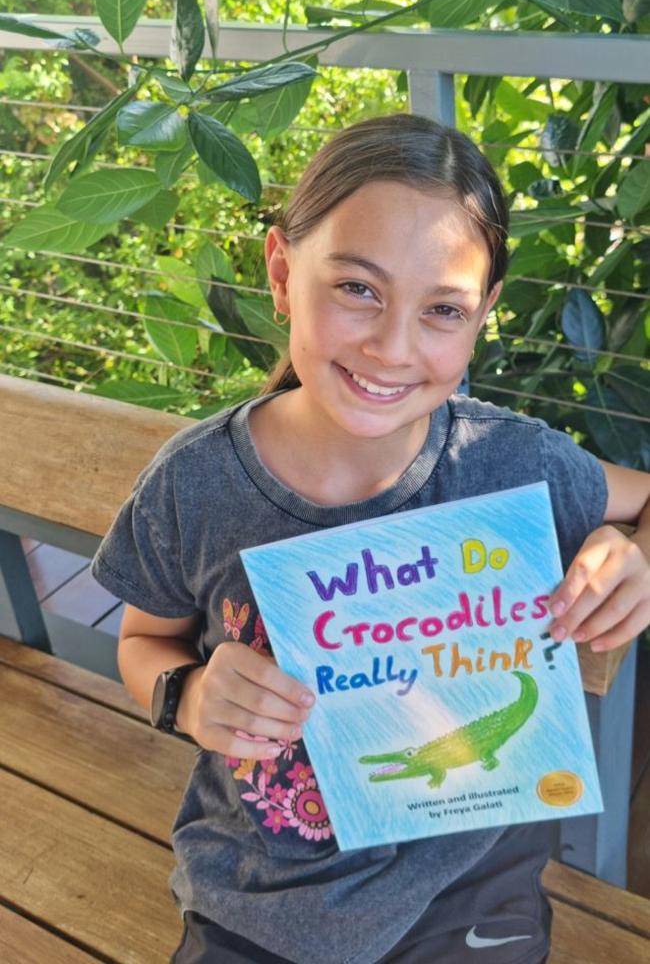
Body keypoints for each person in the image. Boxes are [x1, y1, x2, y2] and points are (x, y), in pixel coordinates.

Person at [91, 113, 650, 964]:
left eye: (442, 310)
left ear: (484, 313)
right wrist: (189, 694)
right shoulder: (194, 485)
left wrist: (637, 555)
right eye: (358, 288)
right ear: (281, 272)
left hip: (467, 888)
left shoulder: (510, 462)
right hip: (258, 898)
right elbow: (143, 638)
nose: (393, 347)